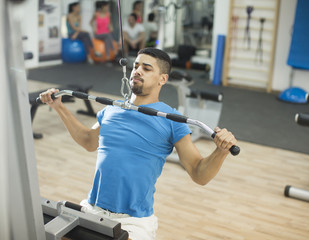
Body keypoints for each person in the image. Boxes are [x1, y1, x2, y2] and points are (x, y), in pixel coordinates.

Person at [39, 48, 237, 240]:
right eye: (136, 66)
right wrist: (59, 107)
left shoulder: (173, 119)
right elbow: (89, 141)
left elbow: (198, 173)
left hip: (133, 221)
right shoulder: (112, 109)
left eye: (147, 68)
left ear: (163, 79)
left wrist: (221, 152)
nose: (138, 71)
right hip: (92, 208)